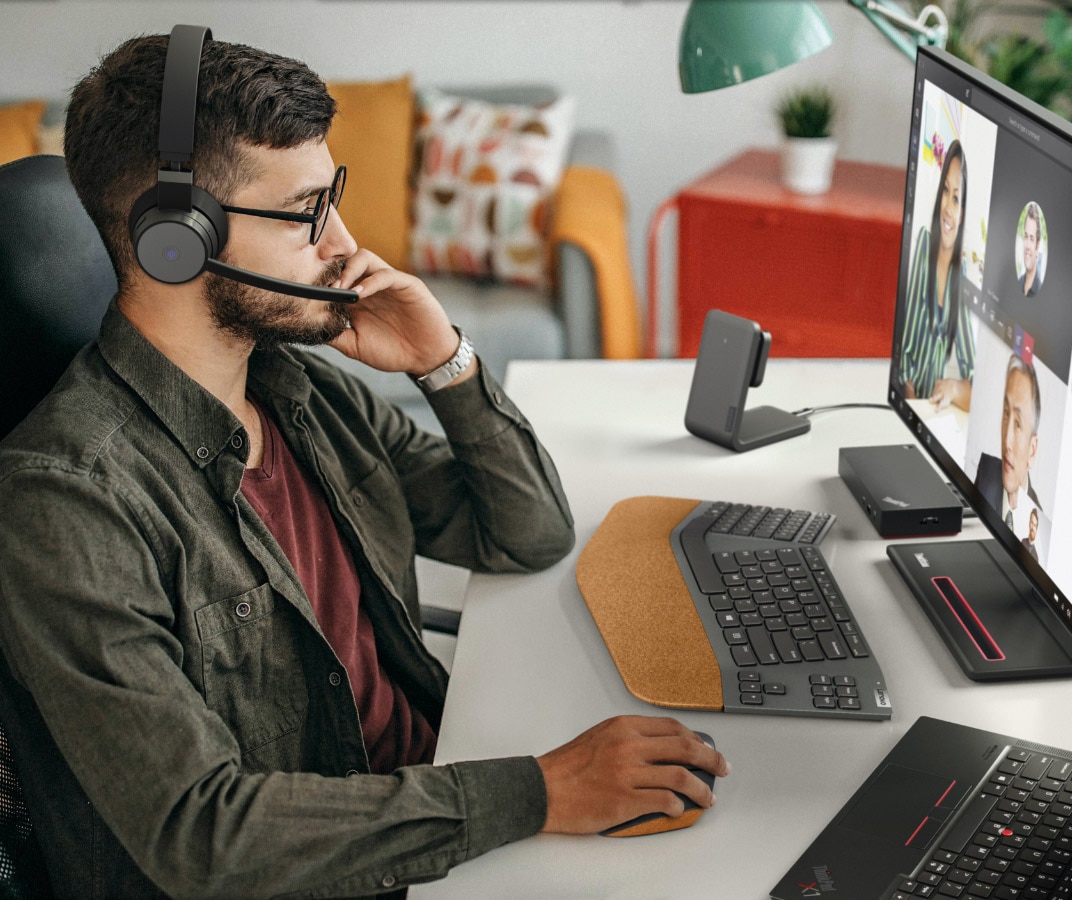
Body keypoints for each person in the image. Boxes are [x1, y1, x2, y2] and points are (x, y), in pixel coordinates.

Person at [0, 33, 727, 898]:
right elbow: (202, 836)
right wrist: (543, 790)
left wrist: (444, 361)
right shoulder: (67, 498)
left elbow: (527, 533)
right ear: (174, 242)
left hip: (435, 800)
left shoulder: (293, 385)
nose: (346, 242)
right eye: (308, 211)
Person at [899, 139, 975, 412]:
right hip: (904, 399)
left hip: (929, 410)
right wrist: (907, 391)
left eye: (956, 198)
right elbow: (902, 341)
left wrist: (953, 388)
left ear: (963, 213)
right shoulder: (922, 245)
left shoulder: (961, 279)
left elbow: (974, 383)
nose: (947, 207)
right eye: (945, 191)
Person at [975, 354, 1042, 538]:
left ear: (1032, 450)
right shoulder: (986, 472)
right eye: (1006, 413)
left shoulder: (1037, 519)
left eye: (1018, 424)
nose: (1006, 442)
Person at [1018, 202, 1043, 297]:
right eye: (1026, 236)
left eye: (1032, 239)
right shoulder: (1019, 281)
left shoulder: (1039, 290)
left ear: (1037, 246)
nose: (1027, 245)